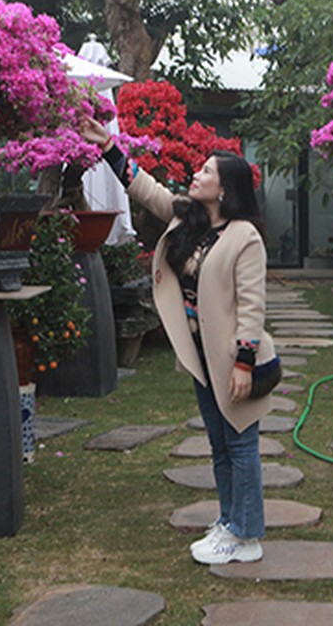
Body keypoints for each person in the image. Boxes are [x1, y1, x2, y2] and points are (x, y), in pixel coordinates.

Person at [80, 117, 274, 564]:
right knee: (220, 443)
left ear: (224, 190)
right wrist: (109, 145)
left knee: (241, 442)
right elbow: (145, 189)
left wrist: (244, 363)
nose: (197, 174)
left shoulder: (244, 237)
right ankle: (230, 521)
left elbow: (252, 305)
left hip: (232, 358)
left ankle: (246, 534)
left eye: (207, 171)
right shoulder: (192, 219)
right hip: (202, 358)